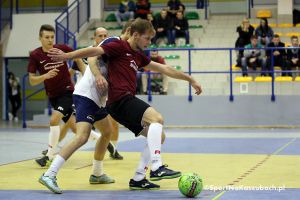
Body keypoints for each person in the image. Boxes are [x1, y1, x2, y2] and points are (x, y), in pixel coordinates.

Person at [47, 18, 202, 190]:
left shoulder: (138, 55)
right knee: (156, 119)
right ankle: (157, 166)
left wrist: (190, 79)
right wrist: (67, 56)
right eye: (147, 38)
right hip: (116, 99)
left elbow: (165, 69)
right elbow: (93, 53)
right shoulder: (118, 45)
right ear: (134, 34)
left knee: (157, 136)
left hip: (107, 102)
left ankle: (137, 177)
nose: (149, 43)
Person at [38, 26, 124, 194]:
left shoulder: (117, 53)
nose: (104, 37)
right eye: (100, 35)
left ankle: (97, 174)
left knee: (107, 132)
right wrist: (96, 76)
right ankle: (49, 174)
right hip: (85, 96)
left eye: (105, 35)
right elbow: (91, 58)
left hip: (97, 99)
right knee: (81, 136)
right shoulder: (108, 46)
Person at [27, 24, 97, 167]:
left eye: (52, 37)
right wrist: (45, 76)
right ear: (40, 38)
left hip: (67, 92)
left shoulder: (61, 49)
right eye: (46, 37)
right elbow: (32, 81)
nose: (50, 40)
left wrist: (85, 74)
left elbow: (77, 57)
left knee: (54, 120)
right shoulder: (35, 55)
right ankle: (107, 143)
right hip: (53, 96)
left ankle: (49, 156)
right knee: (77, 129)